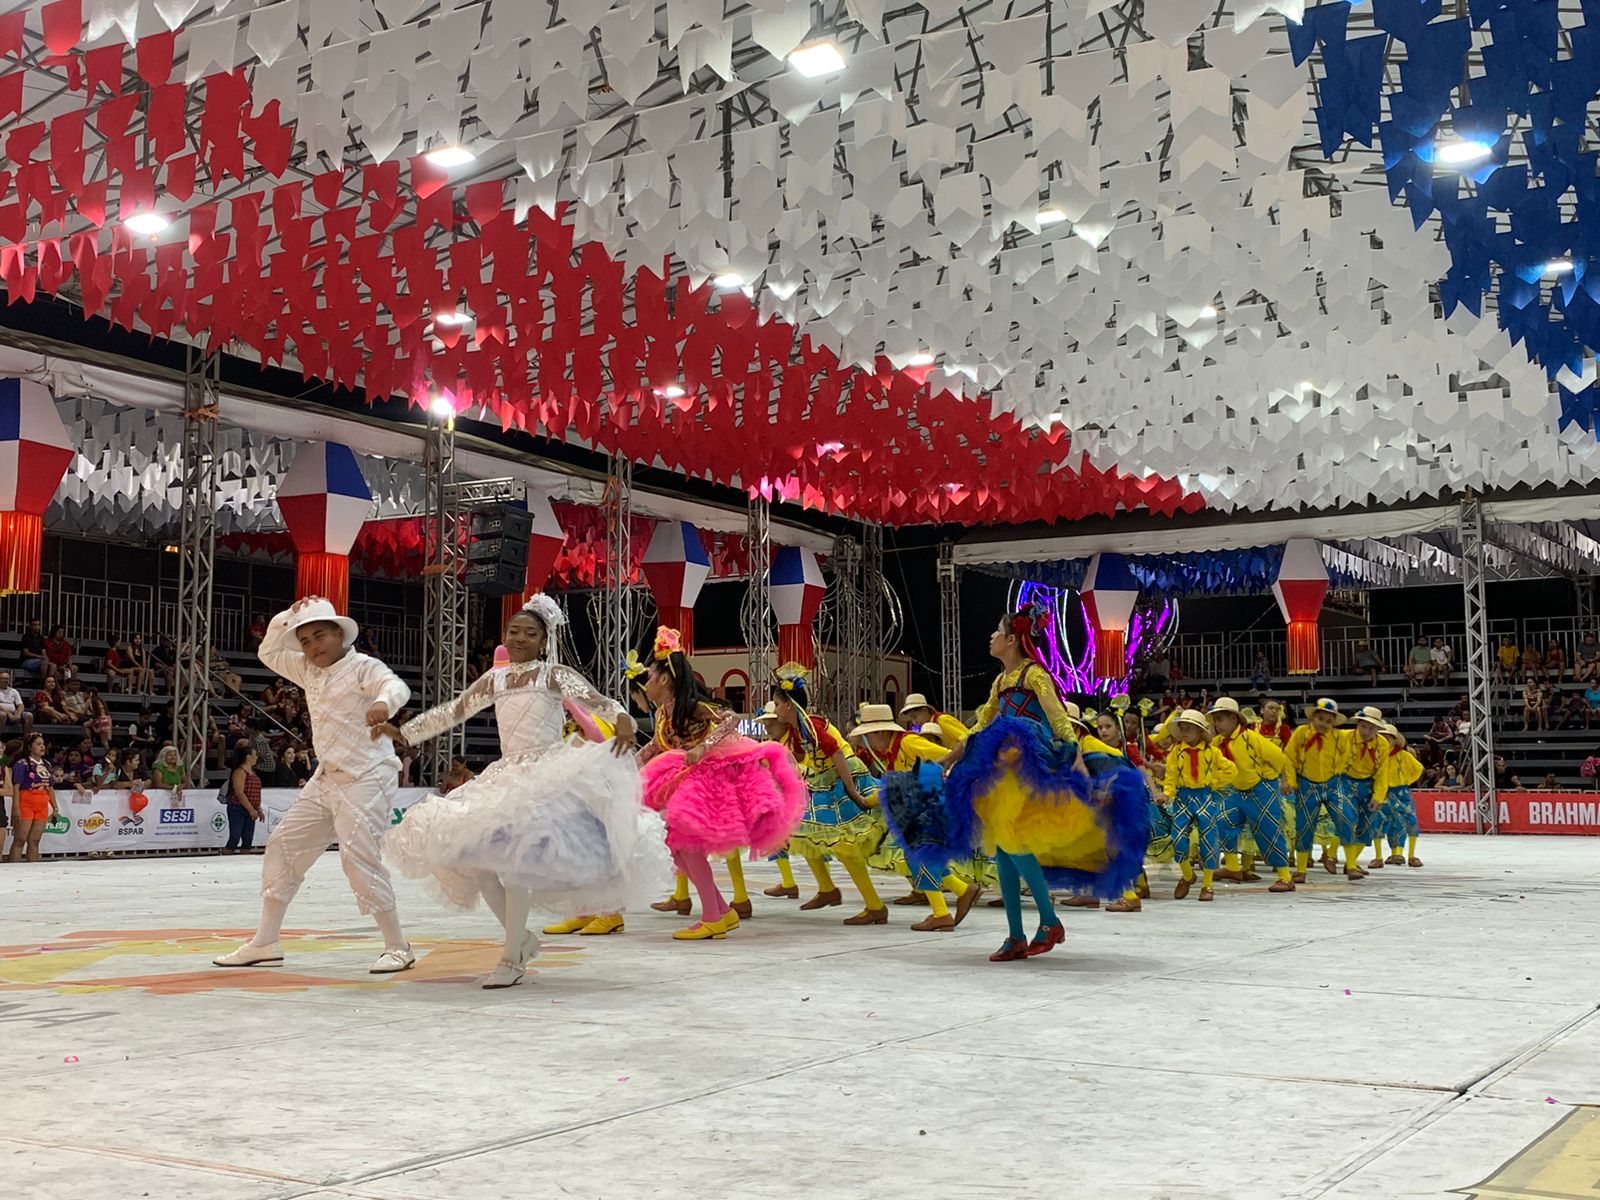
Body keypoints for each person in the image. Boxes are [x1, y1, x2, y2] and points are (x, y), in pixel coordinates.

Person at [382, 597, 667, 985]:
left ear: (543, 641)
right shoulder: (494, 679)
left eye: (530, 633)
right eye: (514, 631)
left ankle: (511, 958)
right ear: (504, 636)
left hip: (547, 776)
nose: (520, 638)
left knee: (517, 869)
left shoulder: (553, 675)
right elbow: (454, 710)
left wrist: (623, 719)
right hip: (506, 776)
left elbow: (598, 701)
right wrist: (406, 732)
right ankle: (520, 940)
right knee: (478, 863)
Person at [933, 605, 1150, 960]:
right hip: (1003, 769)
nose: (991, 637)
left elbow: (1059, 720)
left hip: (1030, 768)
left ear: (1012, 639)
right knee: (1004, 849)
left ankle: (1049, 921)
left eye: (997, 631)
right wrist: (947, 759)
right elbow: (979, 727)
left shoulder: (1034, 675)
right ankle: (1016, 935)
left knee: (1013, 842)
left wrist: (1076, 759)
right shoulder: (1001, 682)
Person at [213, 596, 415, 975]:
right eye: (304, 641)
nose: (311, 646)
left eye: (319, 636)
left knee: (358, 858)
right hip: (327, 776)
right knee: (283, 846)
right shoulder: (308, 669)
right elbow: (269, 651)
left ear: (339, 634)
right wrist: (288, 615)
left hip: (368, 773)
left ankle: (397, 947)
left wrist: (384, 703)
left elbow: (394, 685)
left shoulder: (363, 666)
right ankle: (266, 942)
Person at [638, 627, 807, 942]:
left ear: (664, 679)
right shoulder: (664, 712)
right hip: (686, 777)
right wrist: (628, 765)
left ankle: (713, 917)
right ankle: (721, 911)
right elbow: (655, 746)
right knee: (675, 848)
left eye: (649, 677)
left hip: (710, 778)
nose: (646, 683)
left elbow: (730, 719)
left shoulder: (692, 705)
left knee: (685, 845)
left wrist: (703, 747)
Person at [771, 665, 890, 927]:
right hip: (825, 780)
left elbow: (837, 753)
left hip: (843, 777)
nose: (775, 710)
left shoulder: (811, 725)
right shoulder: (797, 729)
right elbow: (801, 758)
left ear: (789, 705)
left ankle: (875, 906)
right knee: (804, 832)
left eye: (777, 704)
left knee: (844, 845)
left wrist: (851, 790)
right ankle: (827, 889)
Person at [856, 703, 984, 931]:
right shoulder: (894, 752)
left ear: (881, 732)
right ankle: (963, 890)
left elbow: (946, 756)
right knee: (918, 857)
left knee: (921, 857)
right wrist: (868, 800)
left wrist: (938, 781)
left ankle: (941, 913)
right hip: (919, 810)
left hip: (930, 807)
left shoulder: (908, 743)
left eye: (869, 736)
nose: (869, 743)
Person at [1208, 697, 1296, 893]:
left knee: (1268, 831)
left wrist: (1274, 777)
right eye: (1214, 720)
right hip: (1238, 791)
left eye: (1220, 719)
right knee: (1222, 821)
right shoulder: (1218, 743)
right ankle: (1232, 868)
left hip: (1262, 789)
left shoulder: (1251, 738)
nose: (1216, 724)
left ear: (1233, 718)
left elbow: (1280, 758)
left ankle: (1285, 877)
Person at [1284, 698, 1363, 881]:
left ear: (1334, 723)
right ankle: (1301, 870)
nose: (1324, 724)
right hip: (1306, 785)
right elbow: (1289, 757)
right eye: (1321, 719)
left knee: (1346, 819)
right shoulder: (1302, 733)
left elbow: (1348, 755)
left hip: (1332, 784)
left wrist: (1339, 771)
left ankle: (1351, 865)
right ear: (1313, 718)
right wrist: (1291, 780)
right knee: (1304, 826)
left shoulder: (1338, 736)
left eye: (1329, 721)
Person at [1342, 705, 1391, 878]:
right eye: (1363, 726)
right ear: (1357, 724)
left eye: (1371, 728)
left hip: (1369, 785)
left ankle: (1351, 862)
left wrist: (1378, 797)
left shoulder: (1382, 744)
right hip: (1345, 781)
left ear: (1377, 728)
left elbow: (1382, 772)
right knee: (1347, 818)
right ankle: (1335, 857)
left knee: (1368, 825)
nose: (1366, 731)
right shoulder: (1344, 737)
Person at [1374, 725, 1422, 869]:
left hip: (1401, 792)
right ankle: (1379, 856)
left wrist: (1406, 780)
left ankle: (1410, 855)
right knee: (1379, 823)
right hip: (1382, 792)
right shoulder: (1376, 756)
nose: (1384, 739)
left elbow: (1418, 768)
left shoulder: (1403, 756)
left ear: (1394, 739)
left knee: (1408, 821)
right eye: (1382, 737)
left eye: (1388, 737)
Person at [6, 735, 57, 862]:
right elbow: (16, 787)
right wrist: (15, 808)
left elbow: (50, 787)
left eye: (43, 744)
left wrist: (55, 807)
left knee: (35, 841)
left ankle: (33, 869)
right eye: (38, 744)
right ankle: (13, 869)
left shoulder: (47, 764)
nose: (42, 746)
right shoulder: (21, 764)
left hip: (42, 803)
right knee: (20, 839)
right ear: (29, 747)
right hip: (26, 801)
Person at [223, 744, 265, 853]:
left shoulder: (253, 773)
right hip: (237, 808)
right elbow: (239, 793)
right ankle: (224, 858)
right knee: (235, 837)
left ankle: (245, 859)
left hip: (250, 808)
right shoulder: (239, 772)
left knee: (247, 839)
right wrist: (251, 810)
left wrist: (258, 809)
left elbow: (255, 794)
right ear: (248, 757)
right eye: (255, 755)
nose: (256, 757)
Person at [898, 692, 971, 750]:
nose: (914, 722)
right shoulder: (926, 729)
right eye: (911, 720)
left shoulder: (943, 720)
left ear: (925, 710)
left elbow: (970, 738)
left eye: (915, 717)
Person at [0, 671, 32, 737]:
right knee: (2, 714)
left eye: (7, 679)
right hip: (2, 714)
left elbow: (21, 705)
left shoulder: (14, 691)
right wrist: (9, 714)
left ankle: (26, 738)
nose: (5, 680)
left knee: (29, 715)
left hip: (13, 714)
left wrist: (18, 714)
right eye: (3, 678)